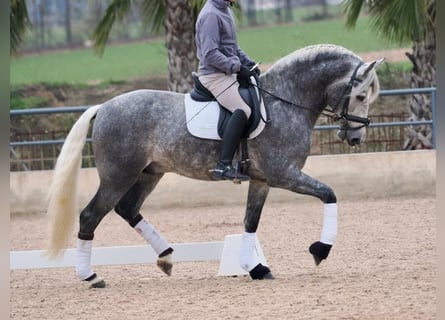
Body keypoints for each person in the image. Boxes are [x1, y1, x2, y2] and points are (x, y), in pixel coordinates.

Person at [195, 0, 260, 182]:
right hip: (214, 76)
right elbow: (210, 54)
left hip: (227, 72)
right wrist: (237, 67)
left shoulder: (224, 10)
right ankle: (223, 165)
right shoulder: (211, 15)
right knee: (243, 110)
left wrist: (248, 63)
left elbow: (232, 48)